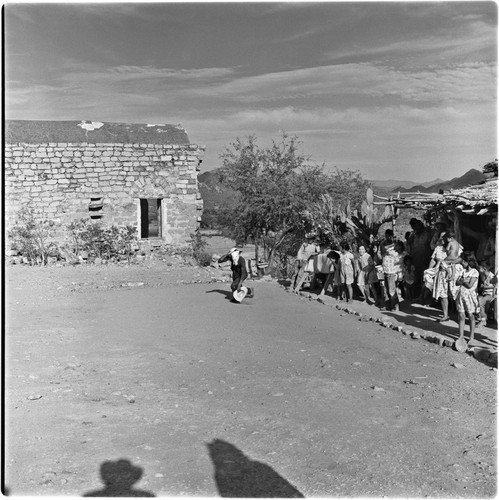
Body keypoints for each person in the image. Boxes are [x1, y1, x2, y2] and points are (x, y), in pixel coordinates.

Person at [455, 252, 480, 346]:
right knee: (461, 315)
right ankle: (461, 336)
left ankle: (471, 336)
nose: (462, 263)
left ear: (468, 262)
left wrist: (462, 281)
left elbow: (470, 285)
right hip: (461, 296)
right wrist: (463, 281)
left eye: (463, 261)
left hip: (470, 297)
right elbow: (457, 282)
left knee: (471, 316)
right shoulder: (463, 271)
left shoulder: (474, 272)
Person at [382, 243, 400, 311]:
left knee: (391, 291)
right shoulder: (385, 255)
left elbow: (398, 264)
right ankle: (387, 305)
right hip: (386, 273)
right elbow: (383, 263)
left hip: (392, 273)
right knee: (386, 290)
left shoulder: (395, 255)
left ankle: (395, 305)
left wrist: (397, 273)